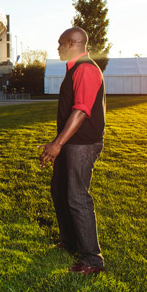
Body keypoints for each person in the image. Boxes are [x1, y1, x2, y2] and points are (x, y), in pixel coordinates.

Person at [38, 27, 106, 275]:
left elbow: (81, 111)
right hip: (71, 143)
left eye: (59, 43)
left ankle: (92, 260)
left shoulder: (86, 69)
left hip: (83, 144)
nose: (57, 47)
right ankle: (70, 243)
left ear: (70, 43)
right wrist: (57, 142)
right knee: (59, 191)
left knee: (77, 197)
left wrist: (58, 144)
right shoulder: (74, 70)